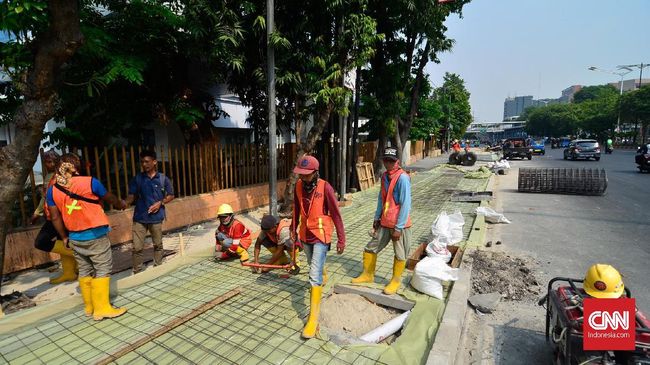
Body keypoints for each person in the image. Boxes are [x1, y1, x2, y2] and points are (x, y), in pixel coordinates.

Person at [47, 153, 128, 321]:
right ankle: (103, 308)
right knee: (102, 269)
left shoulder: (53, 190)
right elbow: (109, 198)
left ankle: (89, 307)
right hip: (95, 234)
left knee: (84, 270)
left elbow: (54, 217)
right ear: (76, 167)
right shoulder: (90, 182)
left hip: (74, 237)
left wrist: (64, 237)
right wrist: (120, 204)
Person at [291, 155, 346, 338]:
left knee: (313, 276)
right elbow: (296, 209)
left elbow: (336, 214)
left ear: (315, 173)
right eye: (301, 174)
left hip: (321, 235)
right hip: (305, 234)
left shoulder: (325, 188)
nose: (303, 178)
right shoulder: (298, 186)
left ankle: (312, 319)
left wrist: (341, 239)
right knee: (311, 263)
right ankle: (321, 273)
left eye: (307, 175)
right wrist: (293, 229)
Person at [352, 147, 412, 296]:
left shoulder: (402, 178)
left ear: (397, 161)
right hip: (385, 222)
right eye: (386, 160)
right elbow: (381, 199)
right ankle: (368, 275)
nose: (388, 163)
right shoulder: (385, 176)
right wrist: (376, 218)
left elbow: (406, 204)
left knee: (400, 255)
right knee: (370, 247)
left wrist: (398, 228)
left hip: (399, 225)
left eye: (391, 161)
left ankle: (395, 281)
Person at [124, 150, 175, 274]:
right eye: (142, 162)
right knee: (137, 247)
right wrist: (124, 203)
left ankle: (158, 268)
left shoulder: (163, 179)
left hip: (156, 218)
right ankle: (137, 272)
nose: (144, 164)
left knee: (158, 245)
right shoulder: (137, 179)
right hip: (140, 218)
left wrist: (160, 203)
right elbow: (131, 196)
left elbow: (171, 195)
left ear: (154, 162)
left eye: (147, 161)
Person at [31, 150, 77, 284]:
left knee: (41, 242)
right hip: (51, 215)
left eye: (50, 161)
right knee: (62, 242)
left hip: (59, 216)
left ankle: (79, 255)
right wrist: (37, 212)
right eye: (45, 162)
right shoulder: (48, 177)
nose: (47, 164)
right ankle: (69, 272)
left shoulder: (62, 177)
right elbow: (45, 198)